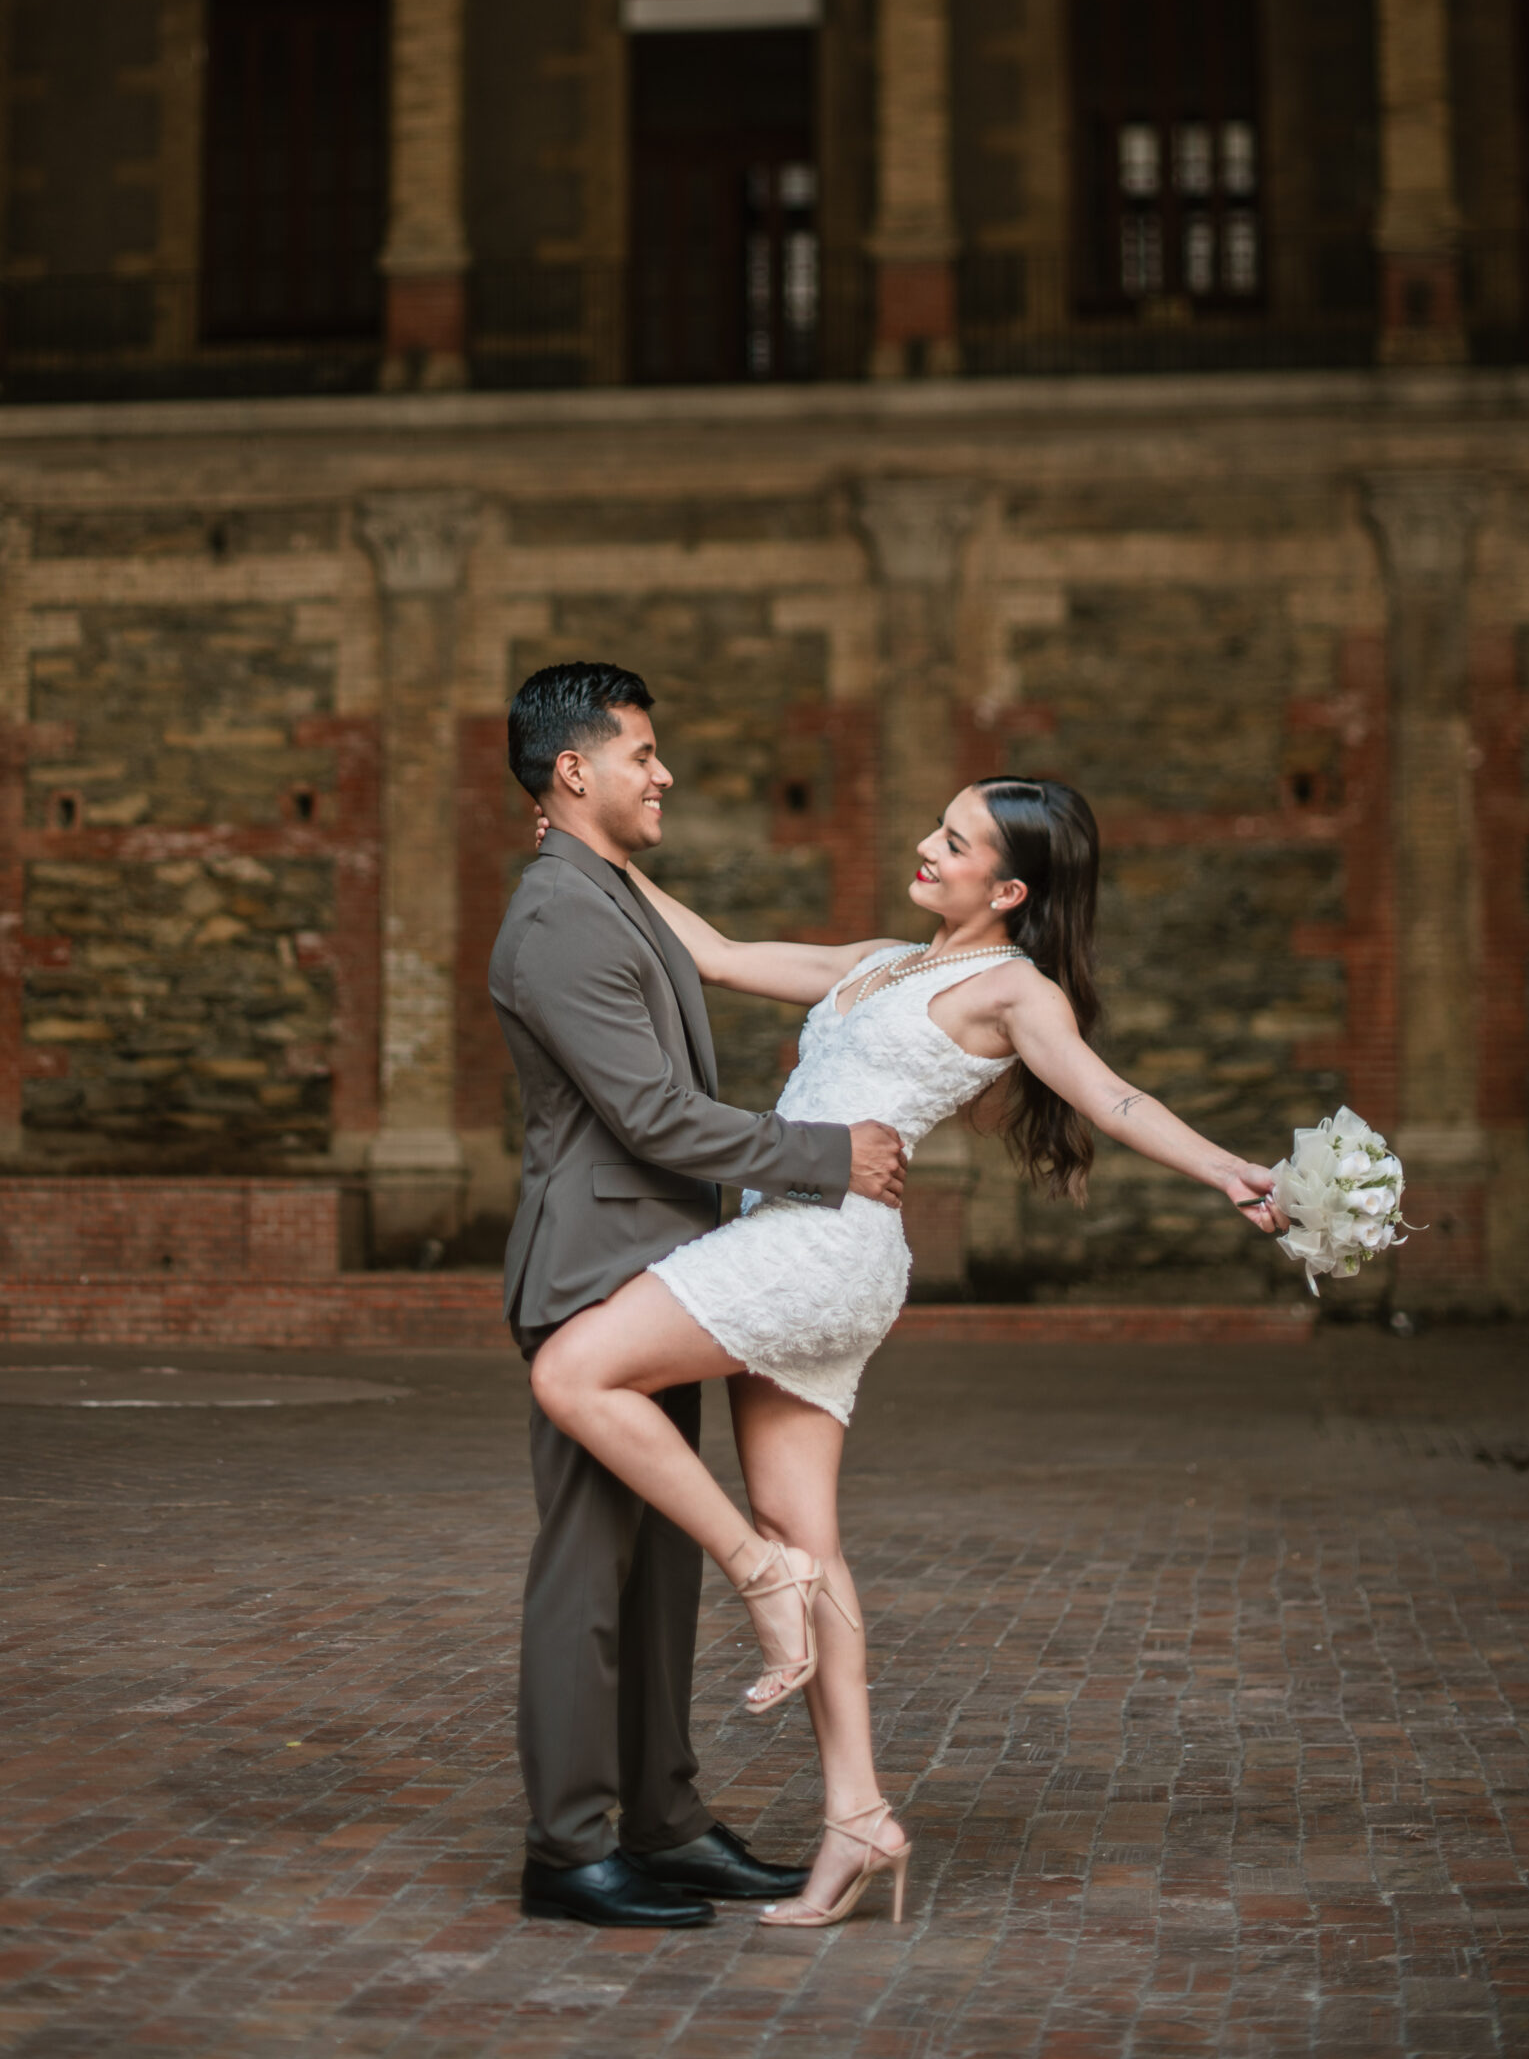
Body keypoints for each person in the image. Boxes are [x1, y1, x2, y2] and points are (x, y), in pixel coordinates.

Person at [528, 768, 1291, 1930]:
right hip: (809, 1241)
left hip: (817, 1249)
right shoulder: (881, 958)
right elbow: (716, 953)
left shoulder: (1013, 989)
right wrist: (595, 850)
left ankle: (752, 1569)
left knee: (573, 1371)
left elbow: (1113, 1098)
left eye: (958, 840)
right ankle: (857, 1816)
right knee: (815, 1536)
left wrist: (1232, 1170)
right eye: (939, 825)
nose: (928, 845)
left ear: (1010, 887)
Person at [489, 662, 908, 1929]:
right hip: (588, 1267)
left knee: (660, 1569)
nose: (664, 772)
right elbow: (653, 1115)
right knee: (588, 1570)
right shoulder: (557, 916)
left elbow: (723, 961)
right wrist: (829, 1157)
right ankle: (569, 1847)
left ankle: (662, 1822)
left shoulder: (609, 890)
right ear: (575, 770)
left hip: (662, 1271)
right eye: (644, 753)